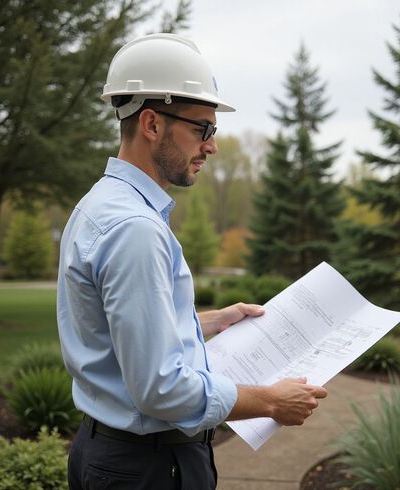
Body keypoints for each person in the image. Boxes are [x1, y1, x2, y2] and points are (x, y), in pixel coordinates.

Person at [57, 33, 328, 490]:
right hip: (147, 469)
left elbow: (114, 331)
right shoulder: (134, 229)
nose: (212, 146)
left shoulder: (102, 205)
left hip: (117, 457)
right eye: (203, 128)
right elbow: (161, 389)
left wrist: (206, 321)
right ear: (151, 124)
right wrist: (269, 402)